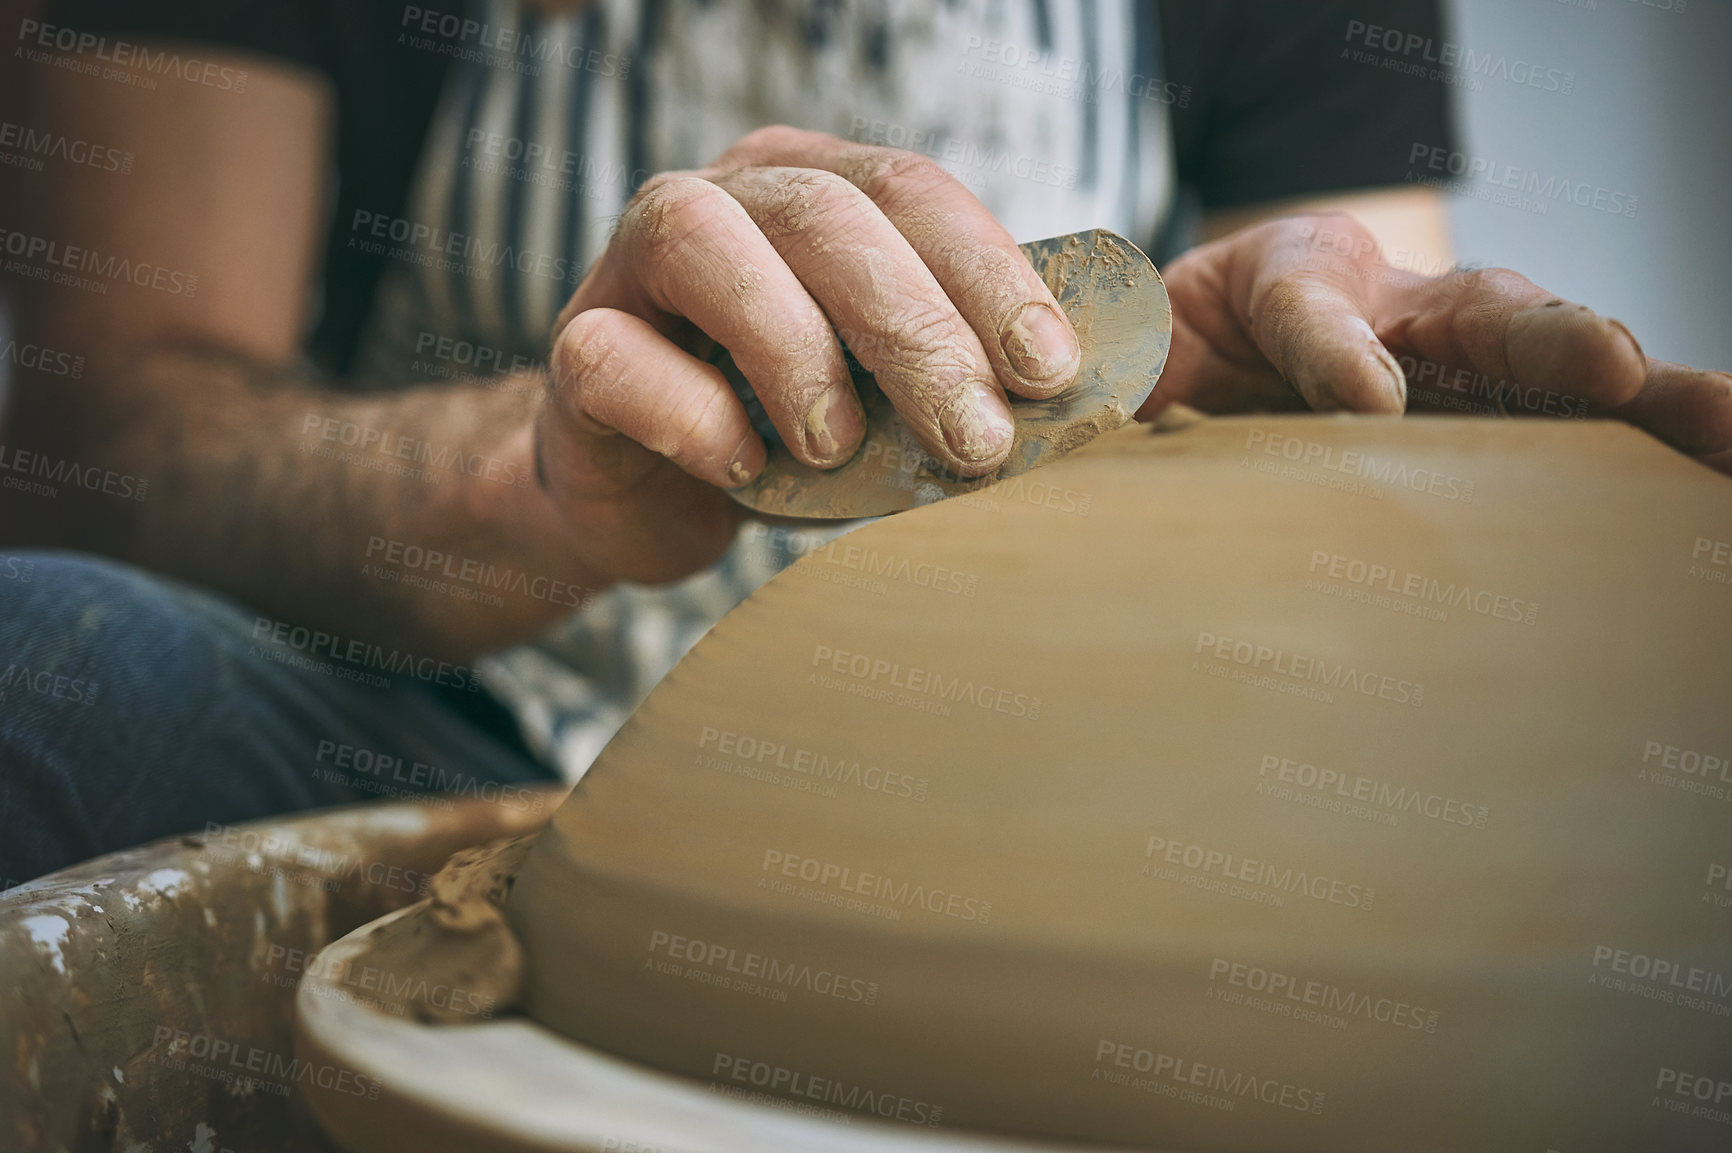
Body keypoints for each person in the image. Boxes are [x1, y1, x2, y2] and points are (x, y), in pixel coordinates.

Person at [0, 0, 1726, 885]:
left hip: (1037, 777)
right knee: (44, 660)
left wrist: (1300, 451)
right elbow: (109, 432)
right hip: (454, 739)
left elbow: (1355, 395)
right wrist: (527, 491)